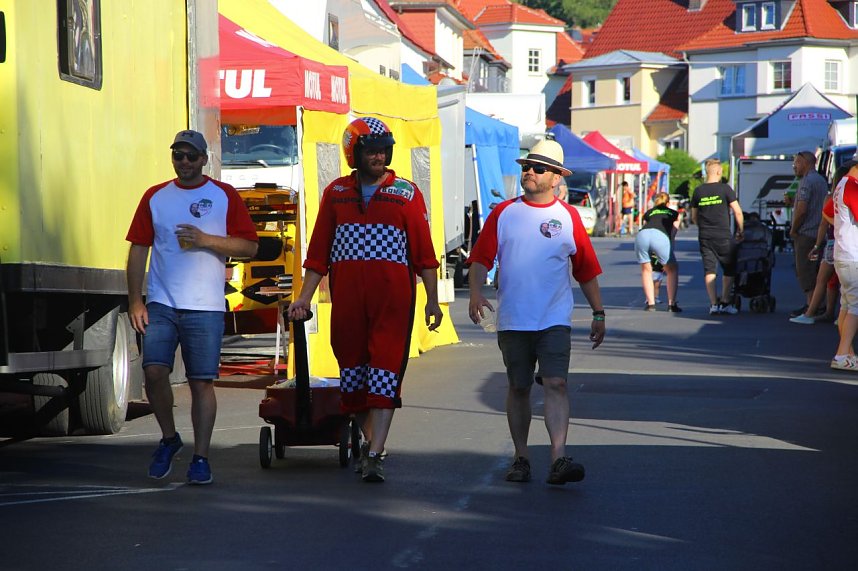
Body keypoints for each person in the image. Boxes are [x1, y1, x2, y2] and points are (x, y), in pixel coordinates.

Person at [287, 117, 443, 483]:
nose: (378, 156)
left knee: (385, 378)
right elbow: (318, 254)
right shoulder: (336, 194)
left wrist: (432, 301)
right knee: (353, 380)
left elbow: (424, 256)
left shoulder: (406, 193)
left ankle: (374, 455)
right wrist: (303, 298)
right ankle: (375, 443)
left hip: (393, 305)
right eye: (370, 150)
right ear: (353, 154)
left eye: (382, 150)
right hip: (347, 306)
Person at [467, 139, 605, 486]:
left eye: (538, 168)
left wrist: (599, 313)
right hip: (513, 319)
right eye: (526, 166)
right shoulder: (504, 213)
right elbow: (481, 259)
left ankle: (558, 458)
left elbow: (586, 270)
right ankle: (521, 457)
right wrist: (474, 294)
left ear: (556, 177)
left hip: (554, 319)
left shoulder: (568, 216)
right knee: (518, 387)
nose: (529, 172)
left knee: (556, 383)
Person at [126, 130, 259, 484]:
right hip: (161, 302)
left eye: (190, 156)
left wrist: (206, 240)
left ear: (204, 159)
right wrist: (136, 300)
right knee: (153, 372)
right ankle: (170, 439)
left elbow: (250, 247)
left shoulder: (223, 195)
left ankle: (201, 457)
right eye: (178, 155)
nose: (183, 161)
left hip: (205, 306)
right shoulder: (156, 197)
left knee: (201, 382)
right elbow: (138, 248)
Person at [691, 159, 744, 315]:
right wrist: (741, 229)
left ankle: (714, 304)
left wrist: (703, 227)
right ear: (719, 172)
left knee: (709, 270)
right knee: (729, 268)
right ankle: (725, 302)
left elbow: (694, 217)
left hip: (705, 235)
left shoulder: (698, 191)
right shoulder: (725, 189)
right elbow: (738, 212)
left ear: (707, 172)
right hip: (723, 235)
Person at [824, 156, 858, 370]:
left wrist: (843, 227)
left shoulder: (841, 184)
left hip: (843, 252)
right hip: (852, 254)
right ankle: (842, 354)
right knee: (855, 305)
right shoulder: (853, 187)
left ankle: (847, 354)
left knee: (847, 304)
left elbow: (826, 213)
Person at [788, 151, 829, 318]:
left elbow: (802, 209)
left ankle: (811, 306)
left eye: (796, 163)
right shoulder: (821, 181)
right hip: (820, 233)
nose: (794, 167)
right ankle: (817, 305)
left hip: (806, 234)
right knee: (817, 272)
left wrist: (794, 228)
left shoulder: (806, 182)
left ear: (805, 162)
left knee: (805, 271)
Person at [635, 192, 681, 312]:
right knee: (672, 269)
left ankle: (650, 304)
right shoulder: (673, 213)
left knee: (646, 269)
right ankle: (672, 304)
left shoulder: (649, 212)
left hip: (642, 235)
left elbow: (646, 225)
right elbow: (672, 233)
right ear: (668, 203)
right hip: (660, 236)